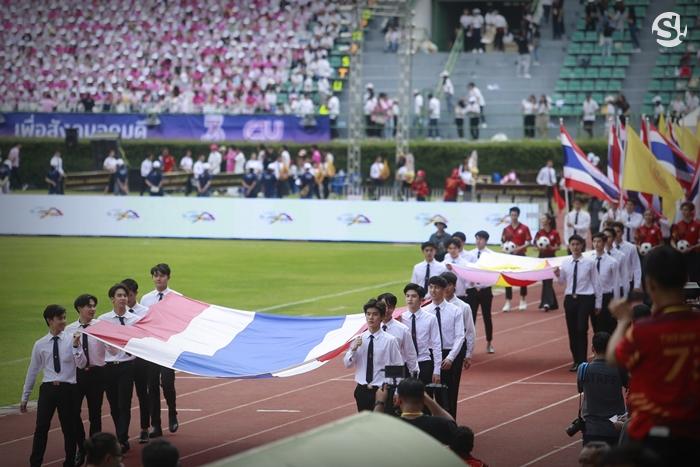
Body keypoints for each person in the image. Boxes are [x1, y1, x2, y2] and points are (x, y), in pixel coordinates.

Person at [607, 246, 700, 464]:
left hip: (652, 437)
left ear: (649, 284)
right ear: (686, 278)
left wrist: (622, 320)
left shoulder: (643, 331)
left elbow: (613, 356)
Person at [21, 304, 87, 467]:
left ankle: (69, 461)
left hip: (68, 389)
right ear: (50, 320)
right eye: (60, 318)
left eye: (64, 317)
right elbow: (33, 370)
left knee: (68, 428)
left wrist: (77, 346)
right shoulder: (40, 344)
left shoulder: (72, 339)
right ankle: (35, 462)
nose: (64, 322)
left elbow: (82, 364)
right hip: (48, 390)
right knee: (41, 427)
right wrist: (25, 396)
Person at [65, 294, 107, 464]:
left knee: (95, 415)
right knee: (73, 413)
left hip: (97, 374)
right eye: (89, 306)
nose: (92, 309)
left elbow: (112, 350)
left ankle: (94, 452)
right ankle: (81, 447)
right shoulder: (69, 329)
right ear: (79, 309)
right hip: (77, 375)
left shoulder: (101, 326)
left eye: (94, 306)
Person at [99, 283, 140, 453]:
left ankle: (122, 438)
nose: (123, 298)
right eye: (119, 295)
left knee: (124, 403)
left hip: (127, 366)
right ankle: (120, 433)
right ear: (112, 299)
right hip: (108, 368)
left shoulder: (134, 319)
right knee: (114, 404)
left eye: (124, 295)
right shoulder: (103, 320)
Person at [140, 264, 180, 437]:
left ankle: (172, 412)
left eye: (162, 275)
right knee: (152, 387)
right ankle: (156, 425)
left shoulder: (177, 297)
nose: (158, 278)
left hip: (168, 348)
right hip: (152, 348)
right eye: (155, 275)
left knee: (168, 383)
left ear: (168, 277)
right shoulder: (146, 299)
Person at [343, 299, 402, 411]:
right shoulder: (359, 339)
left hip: (382, 390)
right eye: (368, 314)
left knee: (381, 425)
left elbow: (397, 366)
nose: (371, 317)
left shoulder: (390, 340)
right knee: (365, 425)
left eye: (375, 314)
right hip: (362, 390)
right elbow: (347, 364)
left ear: (381, 317)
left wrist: (397, 390)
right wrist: (353, 349)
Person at [554, 235, 602, 371]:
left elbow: (596, 283)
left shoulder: (589, 262)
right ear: (569, 246)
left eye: (577, 244)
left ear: (582, 245)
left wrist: (598, 303)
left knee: (582, 329)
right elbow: (562, 281)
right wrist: (558, 274)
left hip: (585, 297)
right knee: (572, 330)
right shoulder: (565, 262)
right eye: (572, 244)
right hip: (570, 298)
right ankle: (576, 360)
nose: (575, 247)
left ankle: (582, 361)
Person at [422, 276, 465, 418]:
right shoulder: (425, 311)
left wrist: (451, 357)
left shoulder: (455, 310)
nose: (433, 290)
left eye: (437, 287)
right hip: (429, 354)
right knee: (426, 395)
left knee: (447, 396)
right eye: (431, 287)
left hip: (448, 353)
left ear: (444, 289)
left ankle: (450, 426)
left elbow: (460, 336)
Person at [578, 332, 628, 447]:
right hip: (615, 427)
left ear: (592, 348)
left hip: (592, 428)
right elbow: (629, 386)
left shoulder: (583, 369)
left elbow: (580, 388)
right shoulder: (619, 368)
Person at [374, 378, 456, 445]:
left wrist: (379, 403)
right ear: (423, 398)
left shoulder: (390, 427)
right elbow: (452, 425)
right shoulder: (437, 424)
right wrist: (429, 400)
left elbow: (371, 431)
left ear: (398, 400)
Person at [120, 278, 151, 444]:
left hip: (140, 359)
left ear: (135, 294)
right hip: (123, 360)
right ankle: (123, 434)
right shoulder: (118, 313)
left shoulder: (144, 312)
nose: (126, 299)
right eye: (123, 295)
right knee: (123, 398)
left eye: (129, 295)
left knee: (142, 394)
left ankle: (145, 428)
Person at [400, 283, 442, 386]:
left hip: (423, 361)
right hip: (404, 363)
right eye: (407, 296)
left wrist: (437, 370)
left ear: (421, 299)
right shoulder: (400, 318)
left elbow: (436, 344)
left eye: (414, 296)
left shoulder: (430, 318)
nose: (410, 299)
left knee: (425, 396)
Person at [464, 231, 495, 353]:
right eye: (477, 238)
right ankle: (469, 345)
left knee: (487, 316)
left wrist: (482, 284)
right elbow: (467, 269)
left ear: (486, 241)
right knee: (471, 319)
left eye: (481, 239)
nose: (478, 241)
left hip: (485, 289)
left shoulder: (490, 255)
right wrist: (471, 283)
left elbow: (492, 272)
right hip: (472, 290)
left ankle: (489, 342)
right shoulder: (470, 254)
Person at [377, 293, 419, 377]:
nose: (386, 310)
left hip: (395, 368)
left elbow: (410, 354)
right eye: (383, 306)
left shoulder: (402, 329)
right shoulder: (371, 327)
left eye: (390, 307)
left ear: (394, 308)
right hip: (376, 368)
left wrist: (414, 373)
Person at [588, 233, 622, 334]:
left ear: (604, 242)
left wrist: (616, 301)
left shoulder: (612, 262)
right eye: (594, 241)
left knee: (609, 323)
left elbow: (616, 283)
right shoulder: (589, 260)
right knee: (595, 323)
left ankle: (610, 346)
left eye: (599, 241)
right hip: (593, 296)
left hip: (607, 296)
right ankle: (598, 345)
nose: (596, 244)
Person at [501, 206, 532, 311]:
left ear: (518, 215)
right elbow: (503, 242)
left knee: (522, 278)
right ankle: (508, 301)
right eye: (512, 215)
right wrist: (505, 248)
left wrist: (518, 248)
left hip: (521, 256)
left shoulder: (524, 228)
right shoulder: (506, 229)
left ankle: (523, 299)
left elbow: (528, 242)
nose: (513, 217)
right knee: (507, 279)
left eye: (515, 215)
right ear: (510, 215)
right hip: (509, 257)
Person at [535, 213, 561, 312]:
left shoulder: (554, 233)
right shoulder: (539, 233)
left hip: (551, 258)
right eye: (541, 218)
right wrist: (540, 247)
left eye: (544, 218)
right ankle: (552, 303)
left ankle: (547, 303)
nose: (542, 219)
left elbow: (558, 246)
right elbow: (535, 244)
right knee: (545, 280)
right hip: (542, 258)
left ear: (549, 220)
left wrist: (551, 248)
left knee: (548, 281)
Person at [670, 201, 700, 283]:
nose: (684, 212)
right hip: (680, 254)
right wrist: (676, 248)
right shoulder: (677, 225)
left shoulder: (697, 225)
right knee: (681, 275)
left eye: (686, 210)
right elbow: (672, 240)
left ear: (691, 211)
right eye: (682, 210)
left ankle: (695, 295)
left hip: (694, 254)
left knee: (694, 276)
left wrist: (692, 248)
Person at [611, 221, 642, 295]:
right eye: (614, 232)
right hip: (611, 283)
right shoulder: (608, 247)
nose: (616, 234)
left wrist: (637, 285)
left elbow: (636, 266)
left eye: (618, 231)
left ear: (622, 232)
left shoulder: (631, 247)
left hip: (627, 281)